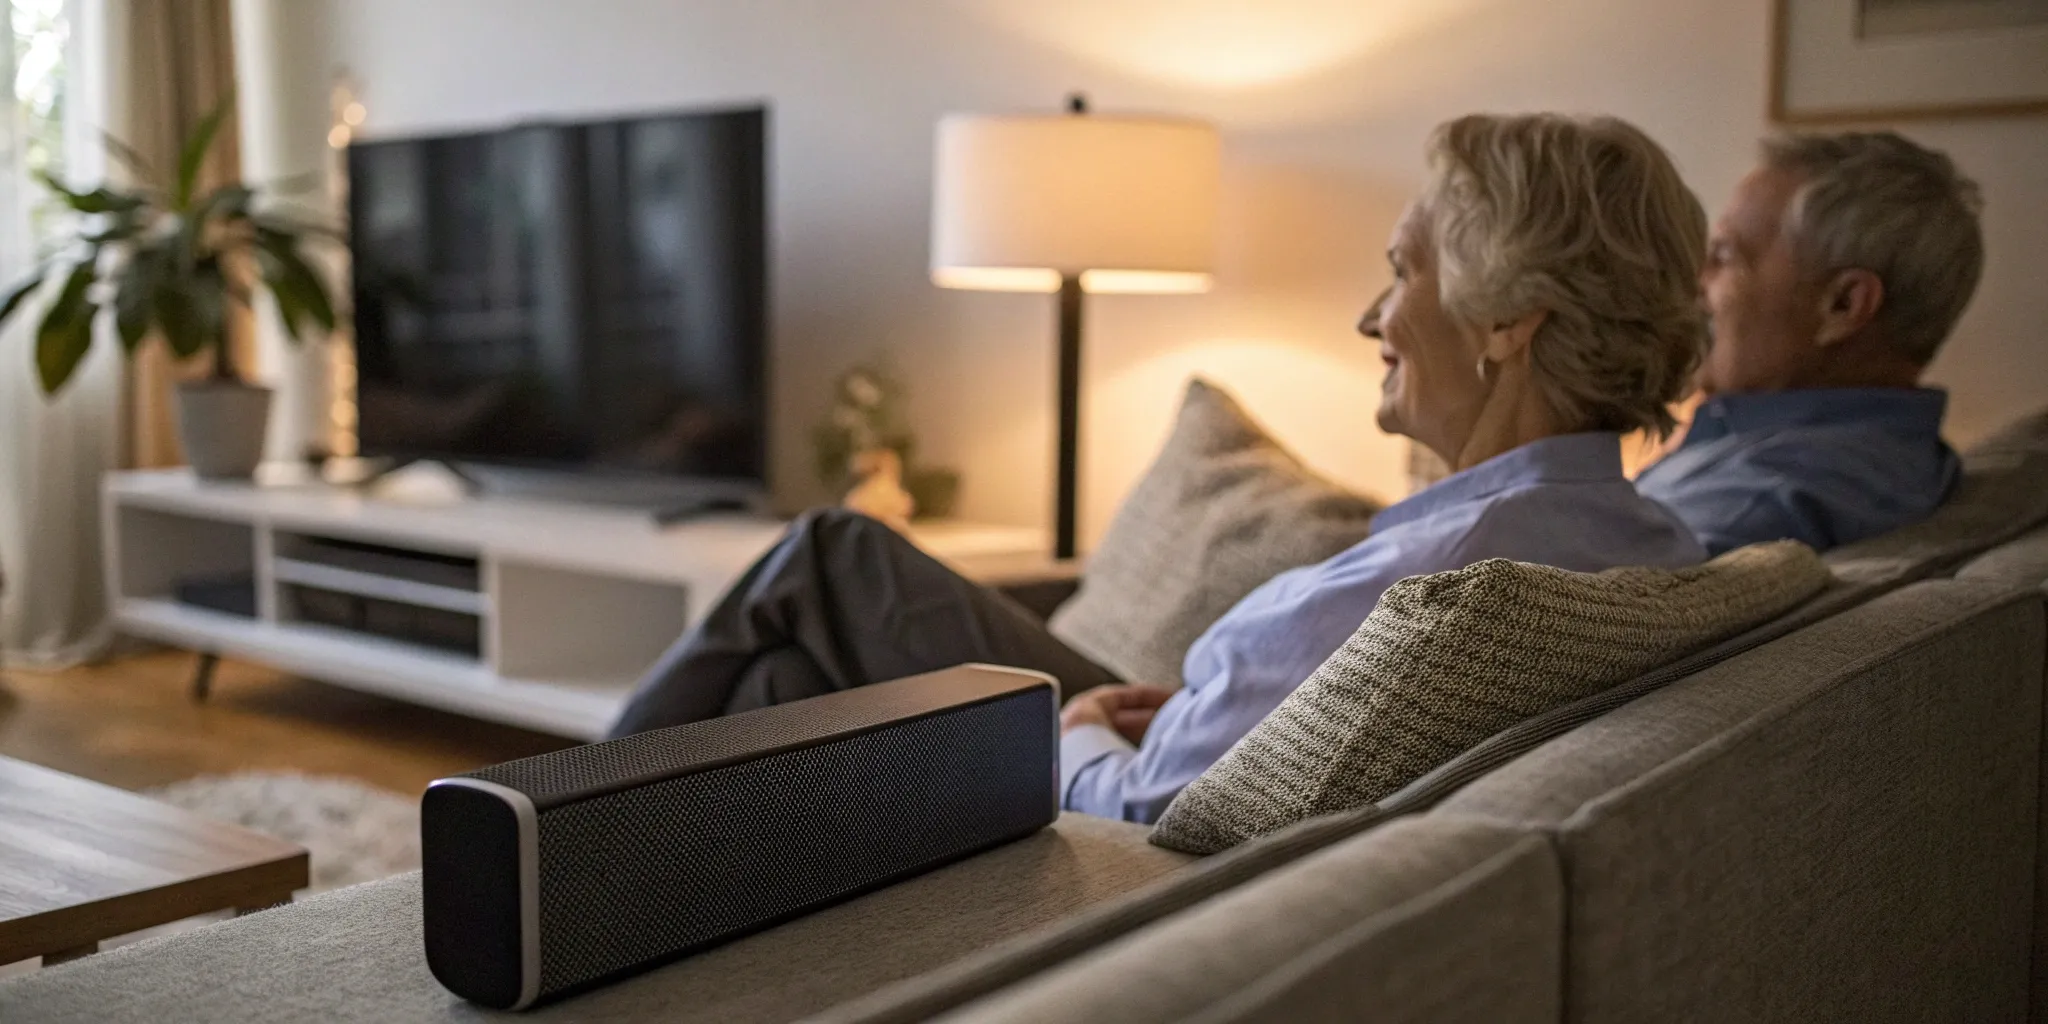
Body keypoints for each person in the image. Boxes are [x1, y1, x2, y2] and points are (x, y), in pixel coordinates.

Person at [608, 112, 1710, 824]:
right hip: (1156, 748)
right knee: (779, 689)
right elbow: (1248, 738)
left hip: (1083, 823)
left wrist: (1084, 730)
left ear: (1508, 315)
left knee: (829, 554)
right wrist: (1183, 708)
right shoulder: (1646, 539)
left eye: (1400, 271)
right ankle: (594, 856)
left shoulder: (1438, 576)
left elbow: (1140, 812)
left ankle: (550, 825)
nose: (1369, 313)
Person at [1634, 132, 1982, 555]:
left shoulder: (1770, 491)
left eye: (1724, 256)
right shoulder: (1877, 458)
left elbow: (1575, 606)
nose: (1695, 283)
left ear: (1843, 305)